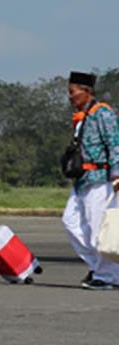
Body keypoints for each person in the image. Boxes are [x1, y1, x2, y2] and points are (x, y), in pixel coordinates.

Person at [62, 71, 119, 291]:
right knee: (71, 222)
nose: (70, 96)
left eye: (72, 91)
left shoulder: (102, 113)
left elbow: (115, 143)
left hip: (100, 179)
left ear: (86, 91)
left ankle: (106, 275)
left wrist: (117, 174)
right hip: (82, 180)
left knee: (98, 229)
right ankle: (100, 267)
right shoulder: (81, 117)